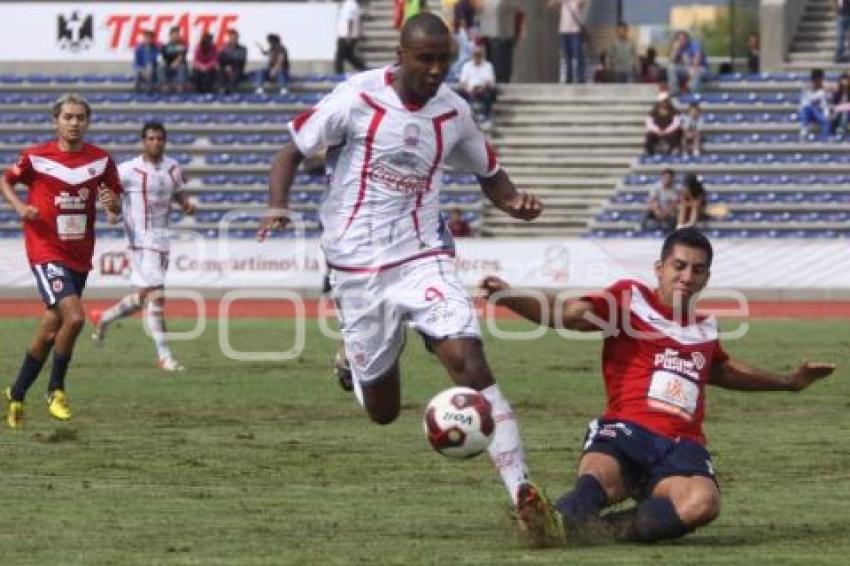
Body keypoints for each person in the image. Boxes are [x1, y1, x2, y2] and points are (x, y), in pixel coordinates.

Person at [257, 12, 559, 547]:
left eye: (445, 59)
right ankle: (354, 357)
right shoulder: (356, 97)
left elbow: (490, 172)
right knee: (383, 411)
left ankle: (523, 494)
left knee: (472, 363)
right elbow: (292, 150)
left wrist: (514, 202)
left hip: (424, 255)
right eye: (426, 59)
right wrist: (278, 207)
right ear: (401, 55)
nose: (437, 69)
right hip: (355, 267)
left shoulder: (454, 112)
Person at [480, 227, 835, 546]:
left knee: (702, 504)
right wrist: (513, 298)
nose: (686, 276)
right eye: (678, 266)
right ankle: (552, 521)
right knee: (600, 477)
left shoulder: (706, 327)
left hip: (682, 444)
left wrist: (790, 382)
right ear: (659, 268)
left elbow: (721, 370)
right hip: (626, 431)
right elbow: (570, 314)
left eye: (697, 270)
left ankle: (604, 530)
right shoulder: (629, 299)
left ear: (706, 278)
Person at [0, 93, 122, 428]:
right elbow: (5, 180)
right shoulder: (37, 157)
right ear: (56, 121)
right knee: (76, 317)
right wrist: (20, 208)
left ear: (88, 121)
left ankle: (17, 392)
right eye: (67, 117)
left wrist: (113, 205)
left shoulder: (101, 161)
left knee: (50, 328)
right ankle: (55, 389)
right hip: (45, 249)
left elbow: (115, 209)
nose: (74, 123)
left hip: (79, 254)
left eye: (80, 117)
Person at [90, 122, 195, 371]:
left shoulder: (173, 167)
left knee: (144, 297)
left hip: (161, 237)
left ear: (165, 141)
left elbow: (178, 191)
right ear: (143, 141)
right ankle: (164, 357)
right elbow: (106, 191)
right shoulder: (127, 169)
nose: (155, 143)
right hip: (140, 238)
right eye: (151, 139)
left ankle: (103, 319)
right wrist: (111, 210)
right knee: (157, 295)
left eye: (159, 139)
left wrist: (186, 204)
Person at [478, 0, 525, 84]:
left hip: (503, 34)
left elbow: (519, 12)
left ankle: (502, 80)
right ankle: (494, 79)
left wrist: (519, 30)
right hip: (490, 34)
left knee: (502, 60)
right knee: (492, 60)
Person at [459, 44, 497, 123]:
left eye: (479, 54)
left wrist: (482, 88)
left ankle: (487, 116)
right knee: (459, 93)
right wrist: (469, 89)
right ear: (472, 55)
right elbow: (463, 81)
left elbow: (490, 81)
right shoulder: (467, 66)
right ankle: (465, 116)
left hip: (483, 88)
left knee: (490, 93)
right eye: (476, 54)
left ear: (482, 55)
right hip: (469, 89)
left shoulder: (488, 65)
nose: (477, 57)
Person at [551, 0, 586, 84]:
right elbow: (552, 3)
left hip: (575, 31)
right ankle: (568, 78)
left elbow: (582, 3)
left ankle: (580, 78)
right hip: (564, 30)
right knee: (567, 57)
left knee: (577, 54)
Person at [667, 31, 708, 95]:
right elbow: (671, 60)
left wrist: (693, 69)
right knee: (671, 67)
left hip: (700, 68)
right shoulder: (679, 48)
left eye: (683, 39)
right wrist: (675, 49)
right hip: (687, 69)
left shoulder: (694, 44)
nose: (681, 41)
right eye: (679, 39)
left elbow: (697, 57)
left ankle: (694, 96)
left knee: (696, 73)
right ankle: (674, 91)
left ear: (687, 39)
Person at [641, 167, 679, 233]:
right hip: (657, 211)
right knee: (646, 213)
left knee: (674, 216)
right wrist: (658, 212)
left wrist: (665, 214)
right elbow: (653, 201)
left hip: (668, 213)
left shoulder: (675, 189)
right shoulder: (655, 187)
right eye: (665, 177)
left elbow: (673, 204)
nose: (667, 180)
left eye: (669, 178)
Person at [336, 0, 367, 75]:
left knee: (340, 56)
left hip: (346, 35)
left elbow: (350, 20)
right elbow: (358, 20)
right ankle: (362, 68)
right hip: (350, 35)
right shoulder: (353, 5)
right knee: (349, 56)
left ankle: (338, 75)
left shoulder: (349, 5)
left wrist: (348, 35)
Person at [799, 68, 832, 141]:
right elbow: (804, 105)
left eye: (819, 79)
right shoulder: (807, 90)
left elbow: (826, 104)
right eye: (815, 80)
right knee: (808, 108)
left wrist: (826, 114)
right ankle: (804, 130)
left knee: (826, 121)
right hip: (808, 113)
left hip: (818, 112)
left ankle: (824, 138)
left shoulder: (823, 91)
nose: (817, 81)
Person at [159, 26, 189, 94]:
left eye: (177, 34)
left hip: (179, 65)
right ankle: (164, 85)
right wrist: (168, 63)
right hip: (168, 65)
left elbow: (182, 54)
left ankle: (179, 85)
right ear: (170, 35)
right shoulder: (166, 45)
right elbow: (164, 56)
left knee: (182, 67)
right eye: (174, 34)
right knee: (161, 66)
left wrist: (176, 62)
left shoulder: (182, 44)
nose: (175, 36)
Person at [218, 29, 248, 94]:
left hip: (237, 69)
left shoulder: (242, 49)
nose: (234, 40)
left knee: (235, 73)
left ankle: (229, 90)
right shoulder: (224, 48)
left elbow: (241, 61)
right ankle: (223, 90)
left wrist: (231, 66)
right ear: (229, 38)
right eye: (232, 38)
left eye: (235, 38)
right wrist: (226, 66)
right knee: (220, 71)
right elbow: (220, 59)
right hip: (225, 68)